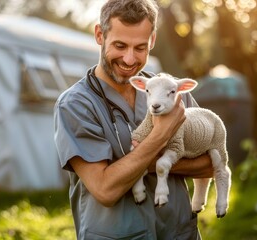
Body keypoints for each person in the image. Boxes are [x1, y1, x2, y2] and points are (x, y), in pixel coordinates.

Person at [54, 0, 213, 239]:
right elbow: (105, 189)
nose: (129, 60)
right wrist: (161, 135)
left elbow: (212, 163)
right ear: (100, 34)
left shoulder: (171, 91)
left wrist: (149, 164)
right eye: (120, 45)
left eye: (140, 48)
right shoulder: (75, 105)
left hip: (178, 233)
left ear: (152, 40)